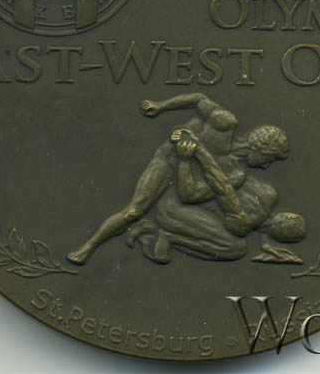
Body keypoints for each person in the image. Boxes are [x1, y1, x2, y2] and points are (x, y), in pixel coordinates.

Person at [66, 93, 293, 265]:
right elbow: (198, 99)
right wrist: (160, 106)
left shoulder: (236, 174)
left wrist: (187, 160)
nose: (266, 166)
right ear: (261, 148)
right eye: (269, 159)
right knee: (134, 211)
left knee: (145, 212)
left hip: (182, 176)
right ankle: (89, 247)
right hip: (166, 162)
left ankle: (158, 232)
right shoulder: (225, 124)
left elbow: (191, 196)